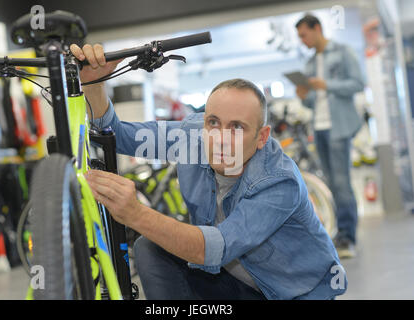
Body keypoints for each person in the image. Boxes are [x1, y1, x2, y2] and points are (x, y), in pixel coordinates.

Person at [70, 43, 347, 300]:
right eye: (213, 122)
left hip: (293, 294)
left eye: (237, 127)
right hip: (234, 281)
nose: (221, 138)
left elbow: (214, 249)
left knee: (168, 242)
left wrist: (135, 213)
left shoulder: (278, 181)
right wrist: (94, 82)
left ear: (262, 137)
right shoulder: (194, 136)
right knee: (150, 249)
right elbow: (114, 135)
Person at [295, 14, 364, 259]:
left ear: (317, 29)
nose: (302, 41)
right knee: (332, 184)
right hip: (320, 128)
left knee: (342, 183)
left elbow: (358, 83)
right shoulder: (311, 63)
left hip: (339, 127)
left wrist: (327, 85)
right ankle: (340, 233)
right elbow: (314, 102)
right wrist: (304, 95)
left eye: (304, 35)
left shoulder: (342, 52)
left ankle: (348, 236)